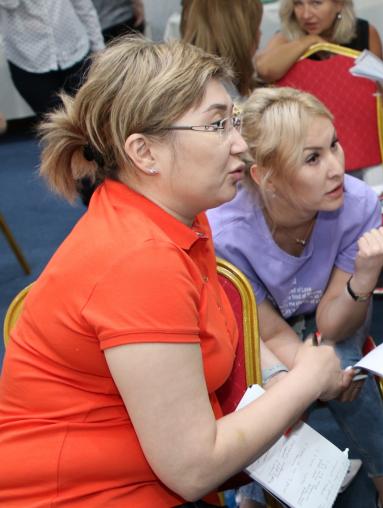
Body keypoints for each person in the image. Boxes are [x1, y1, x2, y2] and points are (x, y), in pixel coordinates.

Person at [0, 38, 353, 506]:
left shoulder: (175, 217)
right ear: (144, 153)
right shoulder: (139, 260)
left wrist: (276, 373)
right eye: (217, 125)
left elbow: (212, 328)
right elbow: (193, 469)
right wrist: (307, 379)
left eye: (234, 120)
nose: (241, 144)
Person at [207, 86, 383, 508]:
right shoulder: (226, 233)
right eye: (313, 159)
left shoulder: (358, 204)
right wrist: (305, 380)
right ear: (265, 177)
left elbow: (333, 323)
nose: (336, 168)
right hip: (267, 325)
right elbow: (268, 331)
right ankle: (257, 493)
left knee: (345, 365)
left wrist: (366, 275)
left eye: (334, 145)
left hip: (335, 310)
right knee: (275, 389)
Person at [254, 0, 383, 83]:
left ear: (339, 4)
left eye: (316, 3)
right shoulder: (287, 37)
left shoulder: (365, 32)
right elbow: (264, 70)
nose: (306, 15)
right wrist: (309, 41)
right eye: (298, 3)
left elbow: (376, 91)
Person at [0, 0, 103, 118]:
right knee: (54, 123)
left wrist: (99, 51)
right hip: (30, 63)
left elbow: (83, 7)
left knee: (92, 116)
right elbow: (10, 4)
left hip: (76, 50)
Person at [181, 0, 263, 98]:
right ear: (240, 37)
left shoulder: (192, 80)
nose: (260, 34)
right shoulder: (223, 95)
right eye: (257, 28)